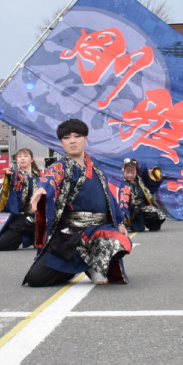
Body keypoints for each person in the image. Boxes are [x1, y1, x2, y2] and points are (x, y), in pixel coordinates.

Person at [23, 119, 132, 286]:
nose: (72, 141)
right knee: (36, 279)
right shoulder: (62, 166)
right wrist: (42, 188)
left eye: (77, 136)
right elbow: (52, 176)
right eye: (66, 137)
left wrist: (119, 221)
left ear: (85, 139)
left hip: (98, 230)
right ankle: (84, 264)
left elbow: (108, 196)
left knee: (120, 240)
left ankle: (95, 263)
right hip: (70, 234)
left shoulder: (96, 167)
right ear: (61, 142)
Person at [0, 148, 41, 251]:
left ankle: (39, 237)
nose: (22, 158)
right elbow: (9, 195)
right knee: (1, 244)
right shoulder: (17, 176)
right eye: (19, 156)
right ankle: (33, 237)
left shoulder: (39, 177)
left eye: (25, 156)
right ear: (17, 160)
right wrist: (9, 179)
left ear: (31, 159)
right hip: (22, 219)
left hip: (40, 218)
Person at [121, 158, 167, 233]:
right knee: (138, 228)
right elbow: (123, 202)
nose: (130, 175)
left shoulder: (140, 179)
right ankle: (130, 225)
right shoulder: (124, 185)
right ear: (124, 172)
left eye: (132, 173)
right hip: (132, 210)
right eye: (127, 173)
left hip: (143, 206)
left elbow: (145, 167)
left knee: (154, 214)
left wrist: (151, 172)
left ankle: (150, 225)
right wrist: (124, 215)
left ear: (136, 171)